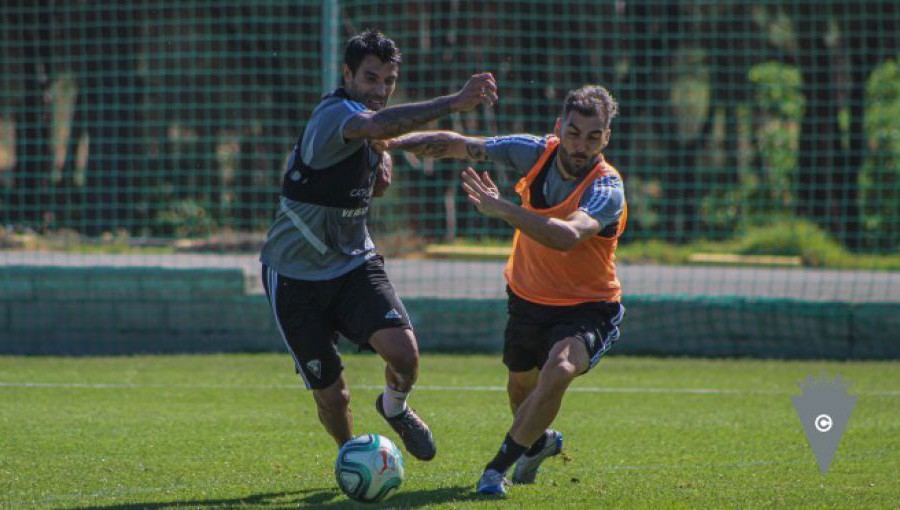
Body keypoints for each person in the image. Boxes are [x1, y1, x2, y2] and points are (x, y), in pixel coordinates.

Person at [259, 29, 497, 462]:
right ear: (347, 74)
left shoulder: (371, 132)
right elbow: (374, 127)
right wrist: (452, 102)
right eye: (371, 78)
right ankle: (353, 457)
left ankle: (394, 407)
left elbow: (383, 142)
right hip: (295, 275)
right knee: (333, 395)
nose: (380, 91)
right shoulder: (336, 115)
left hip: (353, 263)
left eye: (388, 82)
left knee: (405, 356)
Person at [384, 85, 626, 494]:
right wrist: (387, 143)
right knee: (521, 390)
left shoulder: (607, 189)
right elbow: (457, 145)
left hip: (588, 305)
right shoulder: (533, 152)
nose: (580, 145)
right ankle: (539, 444)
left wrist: (503, 209)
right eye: (573, 132)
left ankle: (495, 470)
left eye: (593, 136)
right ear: (559, 127)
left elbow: (567, 236)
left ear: (606, 138)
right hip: (527, 298)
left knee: (561, 369)